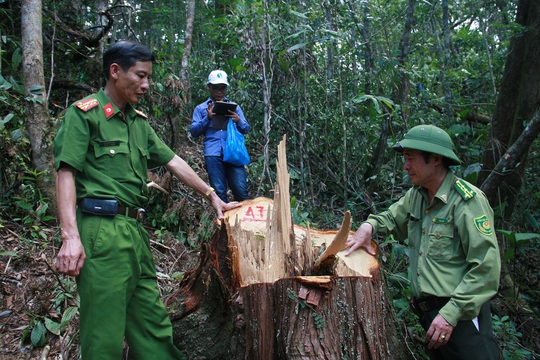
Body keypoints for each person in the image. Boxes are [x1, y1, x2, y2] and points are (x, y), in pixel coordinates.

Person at [53, 40, 241, 360]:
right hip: (101, 230)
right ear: (115, 71)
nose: (146, 85)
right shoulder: (85, 115)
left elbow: (174, 162)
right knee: (104, 337)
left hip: (136, 233)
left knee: (153, 329)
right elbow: (66, 173)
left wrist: (212, 195)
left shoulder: (138, 122)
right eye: (140, 76)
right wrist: (70, 237)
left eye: (149, 77)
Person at [345, 124, 501, 360]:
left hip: (461, 315)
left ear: (436, 159)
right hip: (430, 316)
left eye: (411, 159)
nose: (405, 166)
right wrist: (368, 226)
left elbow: (486, 269)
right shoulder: (417, 195)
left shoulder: (466, 202)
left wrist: (450, 314)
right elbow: (390, 217)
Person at [190, 70, 250, 203]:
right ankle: (223, 223)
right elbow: (193, 131)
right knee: (219, 192)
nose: (219, 91)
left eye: (222, 88)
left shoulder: (235, 107)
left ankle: (244, 223)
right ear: (209, 87)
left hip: (233, 152)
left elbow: (246, 128)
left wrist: (237, 120)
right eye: (215, 87)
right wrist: (207, 118)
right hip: (213, 152)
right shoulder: (201, 108)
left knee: (241, 190)